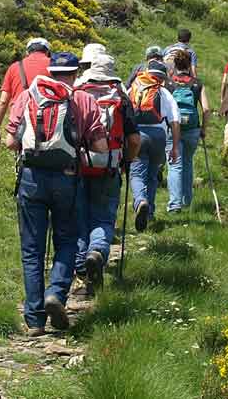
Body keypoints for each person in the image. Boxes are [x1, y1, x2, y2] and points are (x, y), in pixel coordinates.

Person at [4, 52, 108, 336]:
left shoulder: (27, 96)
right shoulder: (83, 100)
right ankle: (57, 293)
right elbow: (100, 147)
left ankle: (34, 320)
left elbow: (11, 141)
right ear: (75, 74)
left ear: (50, 71)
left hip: (30, 179)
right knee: (67, 239)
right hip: (67, 179)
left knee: (32, 249)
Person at [75, 53, 141, 289]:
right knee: (103, 216)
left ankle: (81, 270)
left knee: (79, 218)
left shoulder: (77, 93)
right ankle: (98, 252)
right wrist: (127, 163)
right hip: (110, 165)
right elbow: (134, 139)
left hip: (79, 165)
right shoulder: (121, 98)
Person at [127, 59, 180, 231]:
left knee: (136, 173)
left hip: (137, 134)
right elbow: (175, 121)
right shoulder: (164, 92)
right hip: (158, 135)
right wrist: (175, 147)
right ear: (163, 77)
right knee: (152, 175)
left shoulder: (133, 89)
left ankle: (140, 201)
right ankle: (149, 214)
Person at [166, 49, 209, 213]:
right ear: (189, 64)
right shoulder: (197, 83)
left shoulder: (169, 83)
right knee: (188, 163)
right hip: (192, 129)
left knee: (174, 165)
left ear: (175, 65)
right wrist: (203, 129)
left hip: (173, 129)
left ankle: (175, 204)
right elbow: (206, 109)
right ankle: (186, 200)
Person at [0, 37, 51, 148]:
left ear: (27, 52)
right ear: (47, 52)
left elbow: (3, 102)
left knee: (23, 156)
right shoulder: (54, 66)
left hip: (20, 123)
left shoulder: (14, 67)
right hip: (49, 121)